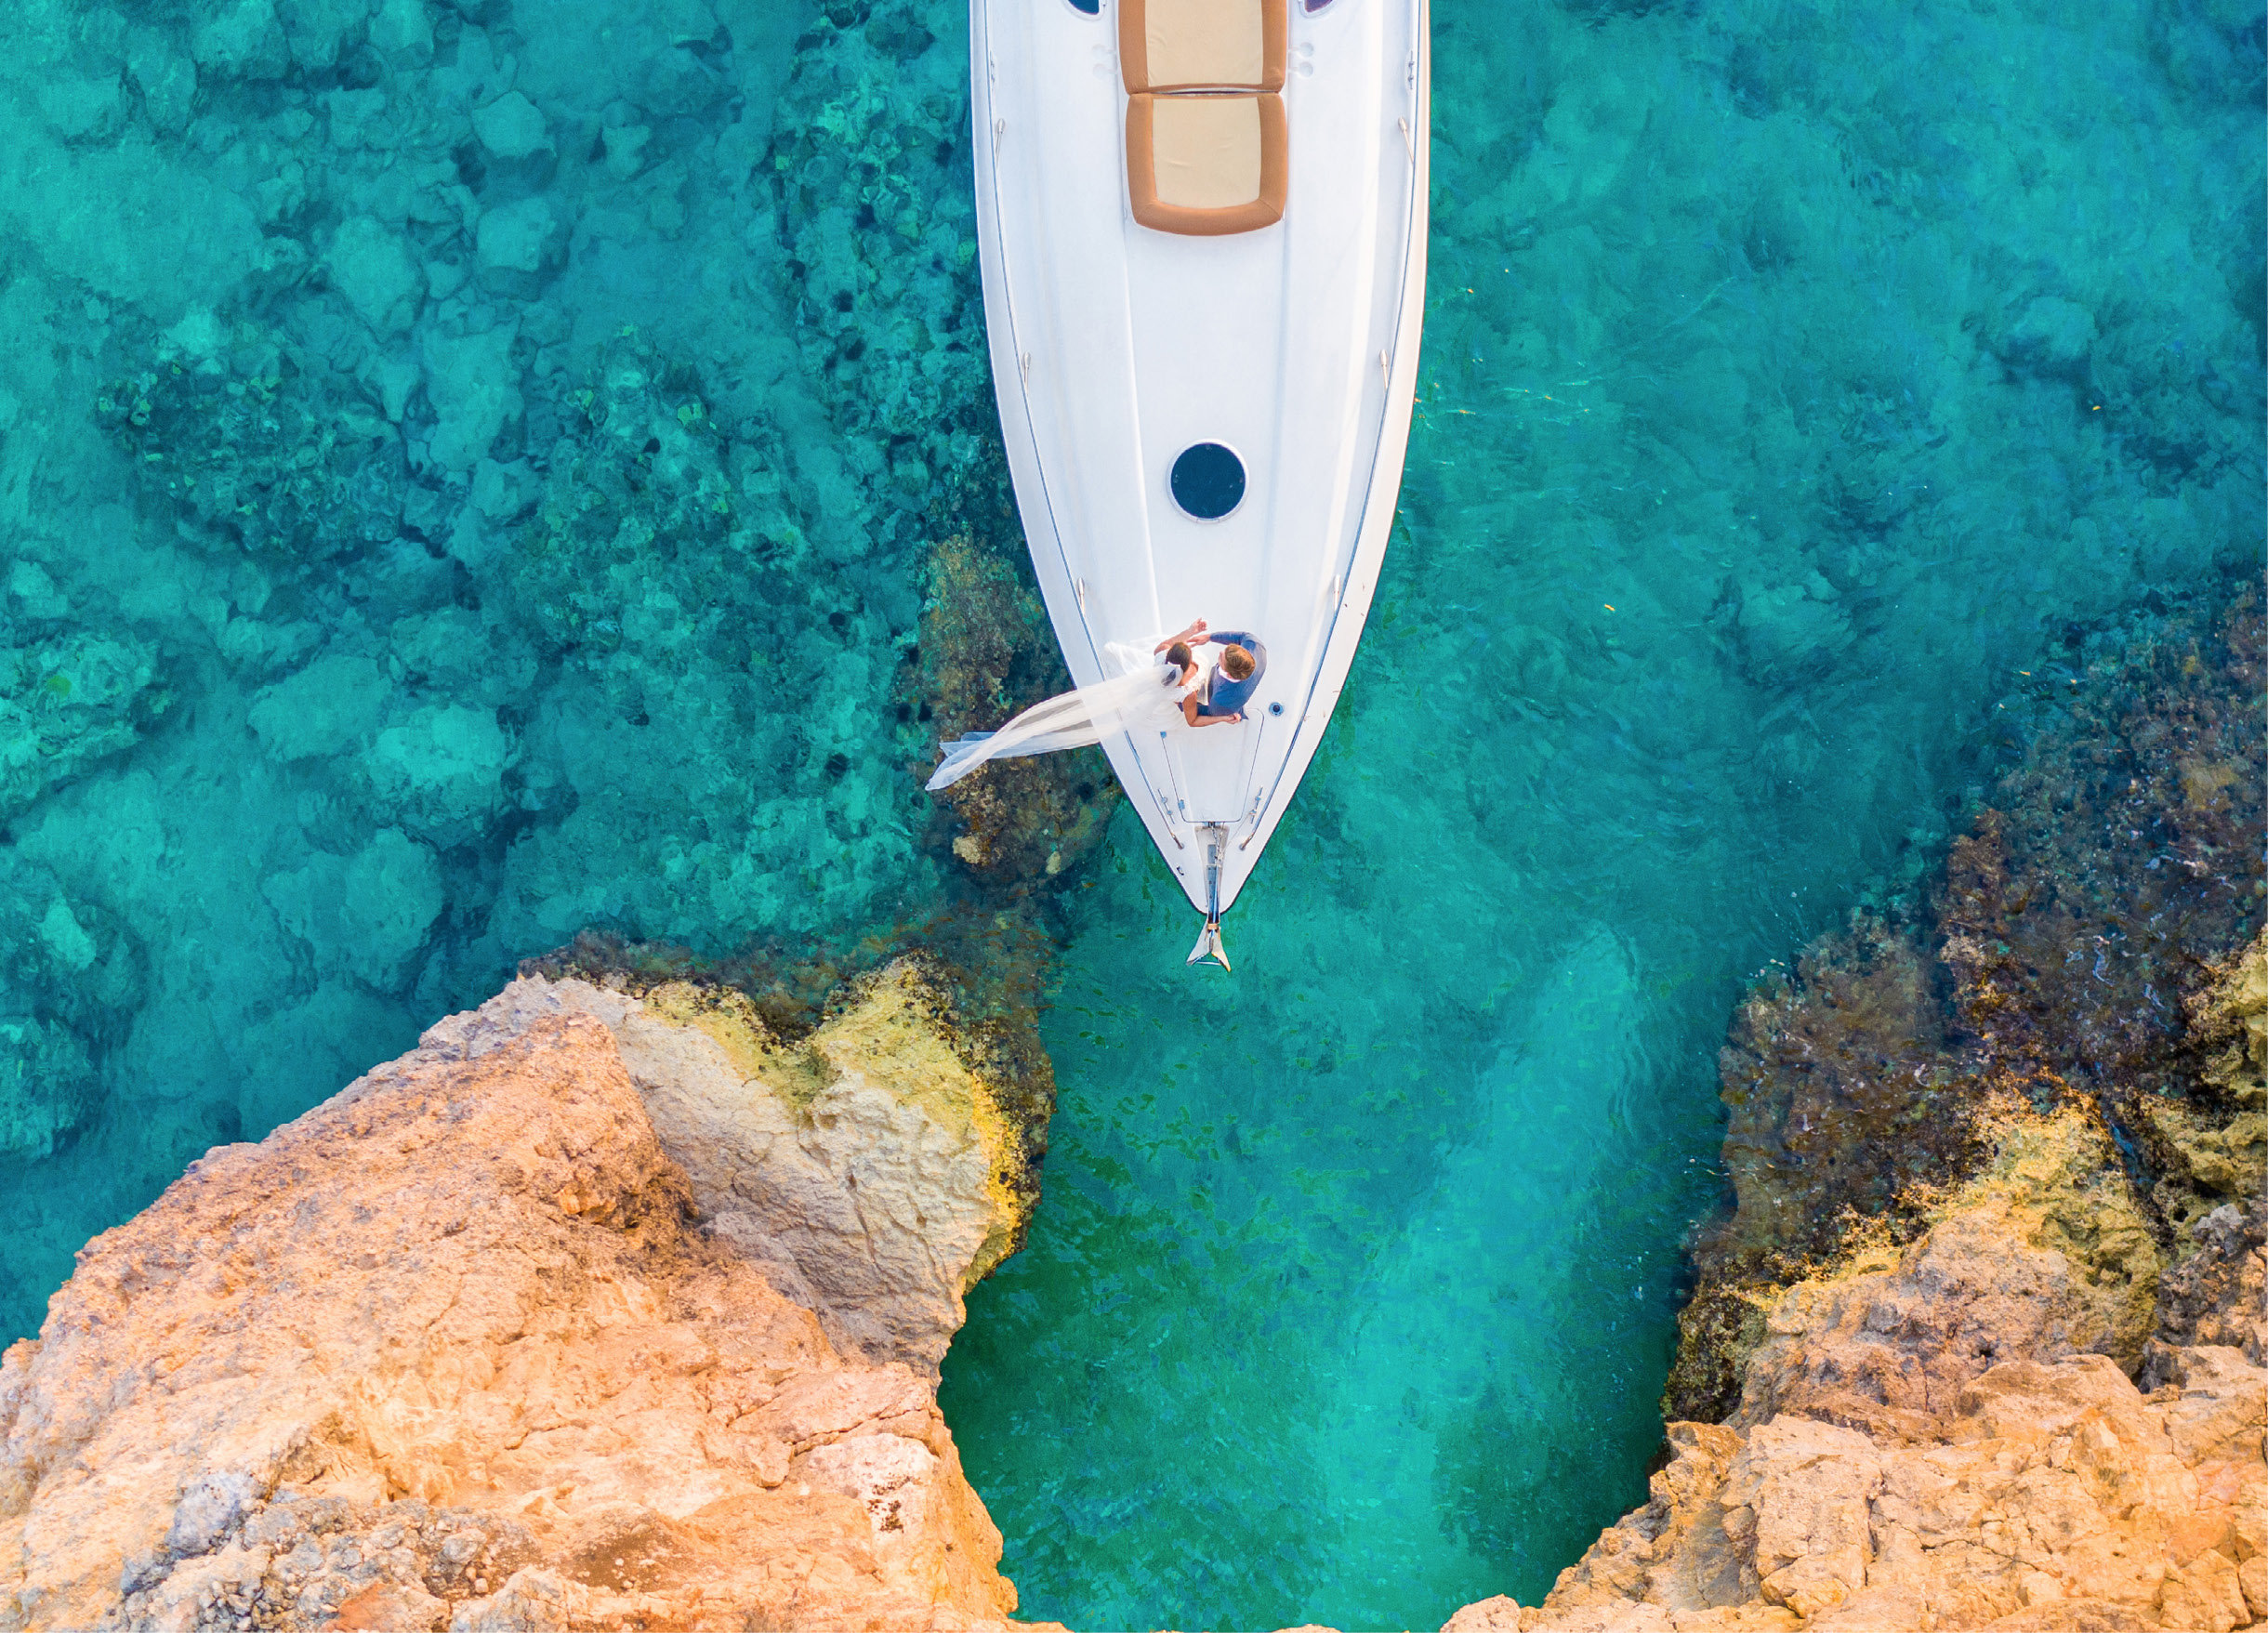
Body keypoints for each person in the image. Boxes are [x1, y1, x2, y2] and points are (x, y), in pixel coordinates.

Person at [925, 621, 1207, 791]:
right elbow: (1191, 721)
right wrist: (1223, 718)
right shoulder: (1187, 690)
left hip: (1149, 690)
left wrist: (1190, 630)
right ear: (1184, 663)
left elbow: (1173, 642)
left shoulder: (1160, 653)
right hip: (1158, 706)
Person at [1182, 626, 1268, 727]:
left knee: (1225, 712)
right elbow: (1240, 637)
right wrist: (1209, 637)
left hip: (1229, 704)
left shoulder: (1222, 701)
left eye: (1222, 659)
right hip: (1241, 689)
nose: (1221, 652)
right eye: (1227, 650)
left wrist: (1182, 702)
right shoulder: (1255, 645)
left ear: (1229, 675)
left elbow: (1208, 713)